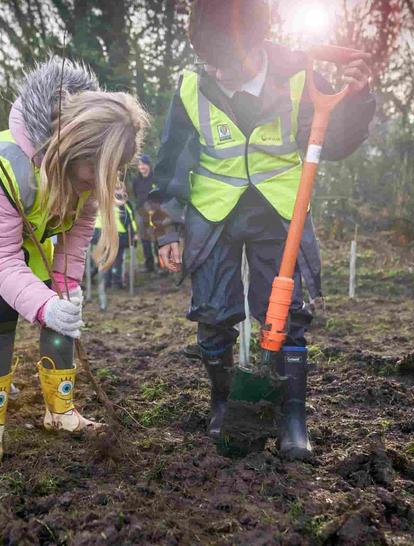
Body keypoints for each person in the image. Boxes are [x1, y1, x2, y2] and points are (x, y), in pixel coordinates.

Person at [153, 0, 374, 459]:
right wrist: (168, 229)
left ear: (257, 44)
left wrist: (357, 99)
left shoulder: (301, 74)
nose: (218, 71)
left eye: (227, 62)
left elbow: (333, 141)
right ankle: (222, 403)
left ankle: (292, 416)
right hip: (214, 213)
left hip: (279, 211)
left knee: (286, 314)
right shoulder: (192, 86)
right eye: (210, 61)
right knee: (213, 311)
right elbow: (171, 164)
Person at [0, 58, 150, 465]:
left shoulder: (85, 174)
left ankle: (60, 411)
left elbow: (75, 236)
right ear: (70, 153)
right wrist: (43, 304)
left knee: (59, 305)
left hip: (27, 221)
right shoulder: (8, 166)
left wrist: (65, 290)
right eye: (92, 178)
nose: (97, 187)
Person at [130, 154, 158, 273]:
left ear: (149, 165)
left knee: (158, 239)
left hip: (156, 211)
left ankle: (162, 264)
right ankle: (149, 265)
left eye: (144, 164)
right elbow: (136, 195)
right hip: (142, 212)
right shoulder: (137, 181)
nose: (141, 167)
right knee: (145, 239)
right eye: (140, 164)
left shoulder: (156, 179)